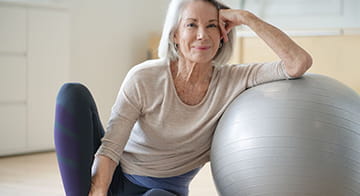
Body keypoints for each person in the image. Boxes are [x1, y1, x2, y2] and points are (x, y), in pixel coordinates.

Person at [54, 0, 312, 195]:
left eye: (212, 25)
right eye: (192, 24)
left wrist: (247, 18)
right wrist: (99, 190)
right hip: (115, 176)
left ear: (223, 35)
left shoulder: (235, 79)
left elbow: (297, 63)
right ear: (175, 35)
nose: (202, 34)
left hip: (164, 191)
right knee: (72, 94)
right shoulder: (145, 77)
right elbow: (111, 146)